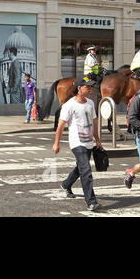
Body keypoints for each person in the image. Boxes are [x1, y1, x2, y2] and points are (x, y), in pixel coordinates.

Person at [52, 78, 100, 212]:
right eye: (87, 87)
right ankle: (91, 202)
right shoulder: (69, 105)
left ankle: (66, 184)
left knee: (80, 168)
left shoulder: (90, 103)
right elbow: (61, 126)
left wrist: (97, 140)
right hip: (77, 142)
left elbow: (94, 122)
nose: (90, 89)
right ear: (79, 88)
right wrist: (56, 143)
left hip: (89, 141)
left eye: (91, 87)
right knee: (86, 170)